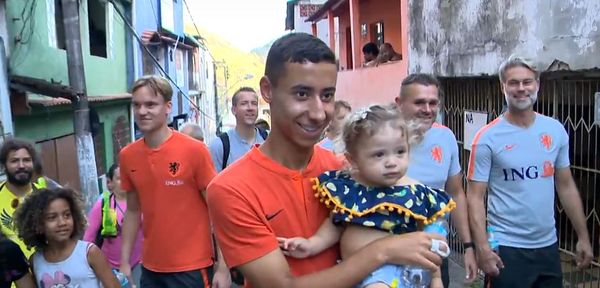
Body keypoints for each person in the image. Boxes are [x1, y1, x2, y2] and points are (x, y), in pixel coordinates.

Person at [206, 32, 445, 288]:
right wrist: (382, 251)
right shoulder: (231, 190)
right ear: (267, 90)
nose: (319, 112)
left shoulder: (346, 172)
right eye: (301, 94)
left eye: (327, 95)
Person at [278, 104, 455, 288]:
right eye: (379, 155)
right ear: (353, 159)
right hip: (353, 273)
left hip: (393, 273)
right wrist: (311, 245)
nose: (391, 162)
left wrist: (436, 280)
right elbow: (335, 225)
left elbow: (428, 241)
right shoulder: (350, 190)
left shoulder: (416, 193)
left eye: (400, 152)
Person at [467, 55, 593, 287]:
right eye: (513, 82)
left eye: (527, 82)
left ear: (538, 84)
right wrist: (482, 248)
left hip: (548, 247)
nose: (521, 88)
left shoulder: (555, 131)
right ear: (502, 86)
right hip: (507, 249)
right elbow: (474, 198)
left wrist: (583, 237)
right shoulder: (486, 138)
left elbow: (565, 186)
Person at [119, 75, 229, 288]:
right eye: (137, 105)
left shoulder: (194, 151)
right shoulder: (128, 156)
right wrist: (124, 263)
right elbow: (132, 211)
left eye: (150, 105)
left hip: (192, 267)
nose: (142, 112)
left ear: (168, 107)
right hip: (151, 268)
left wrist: (223, 266)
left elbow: (218, 209)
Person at [395, 73, 478, 285]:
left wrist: (468, 247)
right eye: (419, 102)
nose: (427, 109)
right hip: (392, 255)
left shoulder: (446, 137)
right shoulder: (381, 139)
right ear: (399, 104)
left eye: (433, 103)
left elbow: (456, 193)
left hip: (435, 253)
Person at [13, 188, 119, 287]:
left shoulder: (89, 253)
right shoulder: (36, 261)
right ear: (38, 224)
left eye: (67, 215)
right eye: (52, 218)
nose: (62, 222)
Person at [83, 163, 143, 287]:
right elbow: (89, 237)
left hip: (139, 263)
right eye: (120, 178)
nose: (125, 182)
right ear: (110, 183)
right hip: (109, 266)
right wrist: (88, 265)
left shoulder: (141, 202)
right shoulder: (103, 204)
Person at [0, 138, 43, 258]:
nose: (21, 165)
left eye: (26, 160)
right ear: (4, 166)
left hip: (44, 271)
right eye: (14, 161)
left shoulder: (45, 197)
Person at [209, 87, 267, 172]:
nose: (250, 108)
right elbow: (213, 183)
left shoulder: (269, 140)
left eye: (254, 103)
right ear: (233, 110)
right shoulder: (220, 145)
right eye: (244, 103)